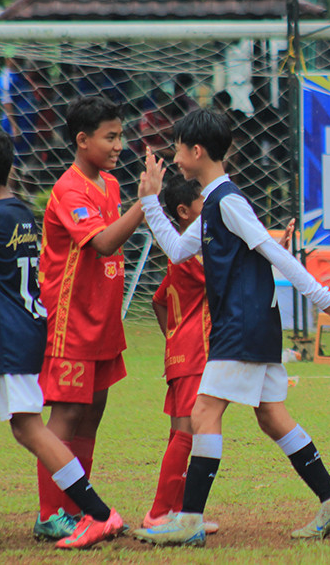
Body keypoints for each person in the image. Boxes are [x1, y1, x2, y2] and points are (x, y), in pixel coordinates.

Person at [132, 109, 330, 546]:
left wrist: (323, 297)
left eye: (178, 149)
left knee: (203, 413)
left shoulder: (229, 202)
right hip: (251, 325)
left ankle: (190, 519)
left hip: (241, 325)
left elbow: (276, 254)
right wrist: (149, 202)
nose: (176, 158)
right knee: (273, 417)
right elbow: (179, 249)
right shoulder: (216, 202)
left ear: (196, 151)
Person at [0, 127, 126, 550]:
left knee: (29, 429)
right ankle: (84, 513)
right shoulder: (20, 213)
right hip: (11, 337)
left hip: (4, 343)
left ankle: (98, 514)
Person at [35, 95, 147, 540]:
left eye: (120, 135)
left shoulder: (111, 184)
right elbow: (101, 243)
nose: (119, 144)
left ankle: (79, 508)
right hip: (72, 318)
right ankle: (50, 514)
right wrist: (146, 204)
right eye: (111, 136)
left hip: (104, 316)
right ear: (82, 140)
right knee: (66, 413)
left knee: (93, 411)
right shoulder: (69, 189)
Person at [139, 175, 217, 532]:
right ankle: (159, 512)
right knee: (188, 432)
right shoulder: (193, 257)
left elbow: (158, 301)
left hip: (182, 355)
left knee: (181, 434)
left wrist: (172, 340)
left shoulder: (181, 256)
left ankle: (180, 512)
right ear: (185, 213)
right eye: (204, 202)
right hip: (195, 353)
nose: (211, 207)